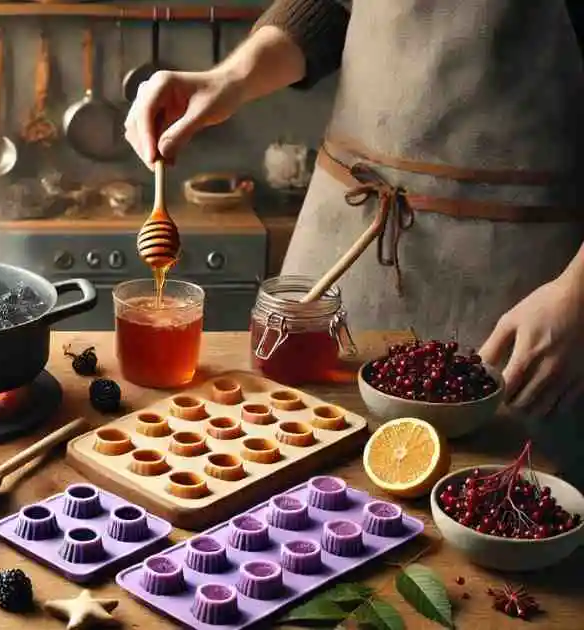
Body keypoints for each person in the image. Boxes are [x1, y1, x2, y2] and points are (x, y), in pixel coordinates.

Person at [125, 1, 584, 481]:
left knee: (498, 492)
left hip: (525, 279)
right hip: (343, 240)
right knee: (294, 472)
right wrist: (230, 78)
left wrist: (577, 295)